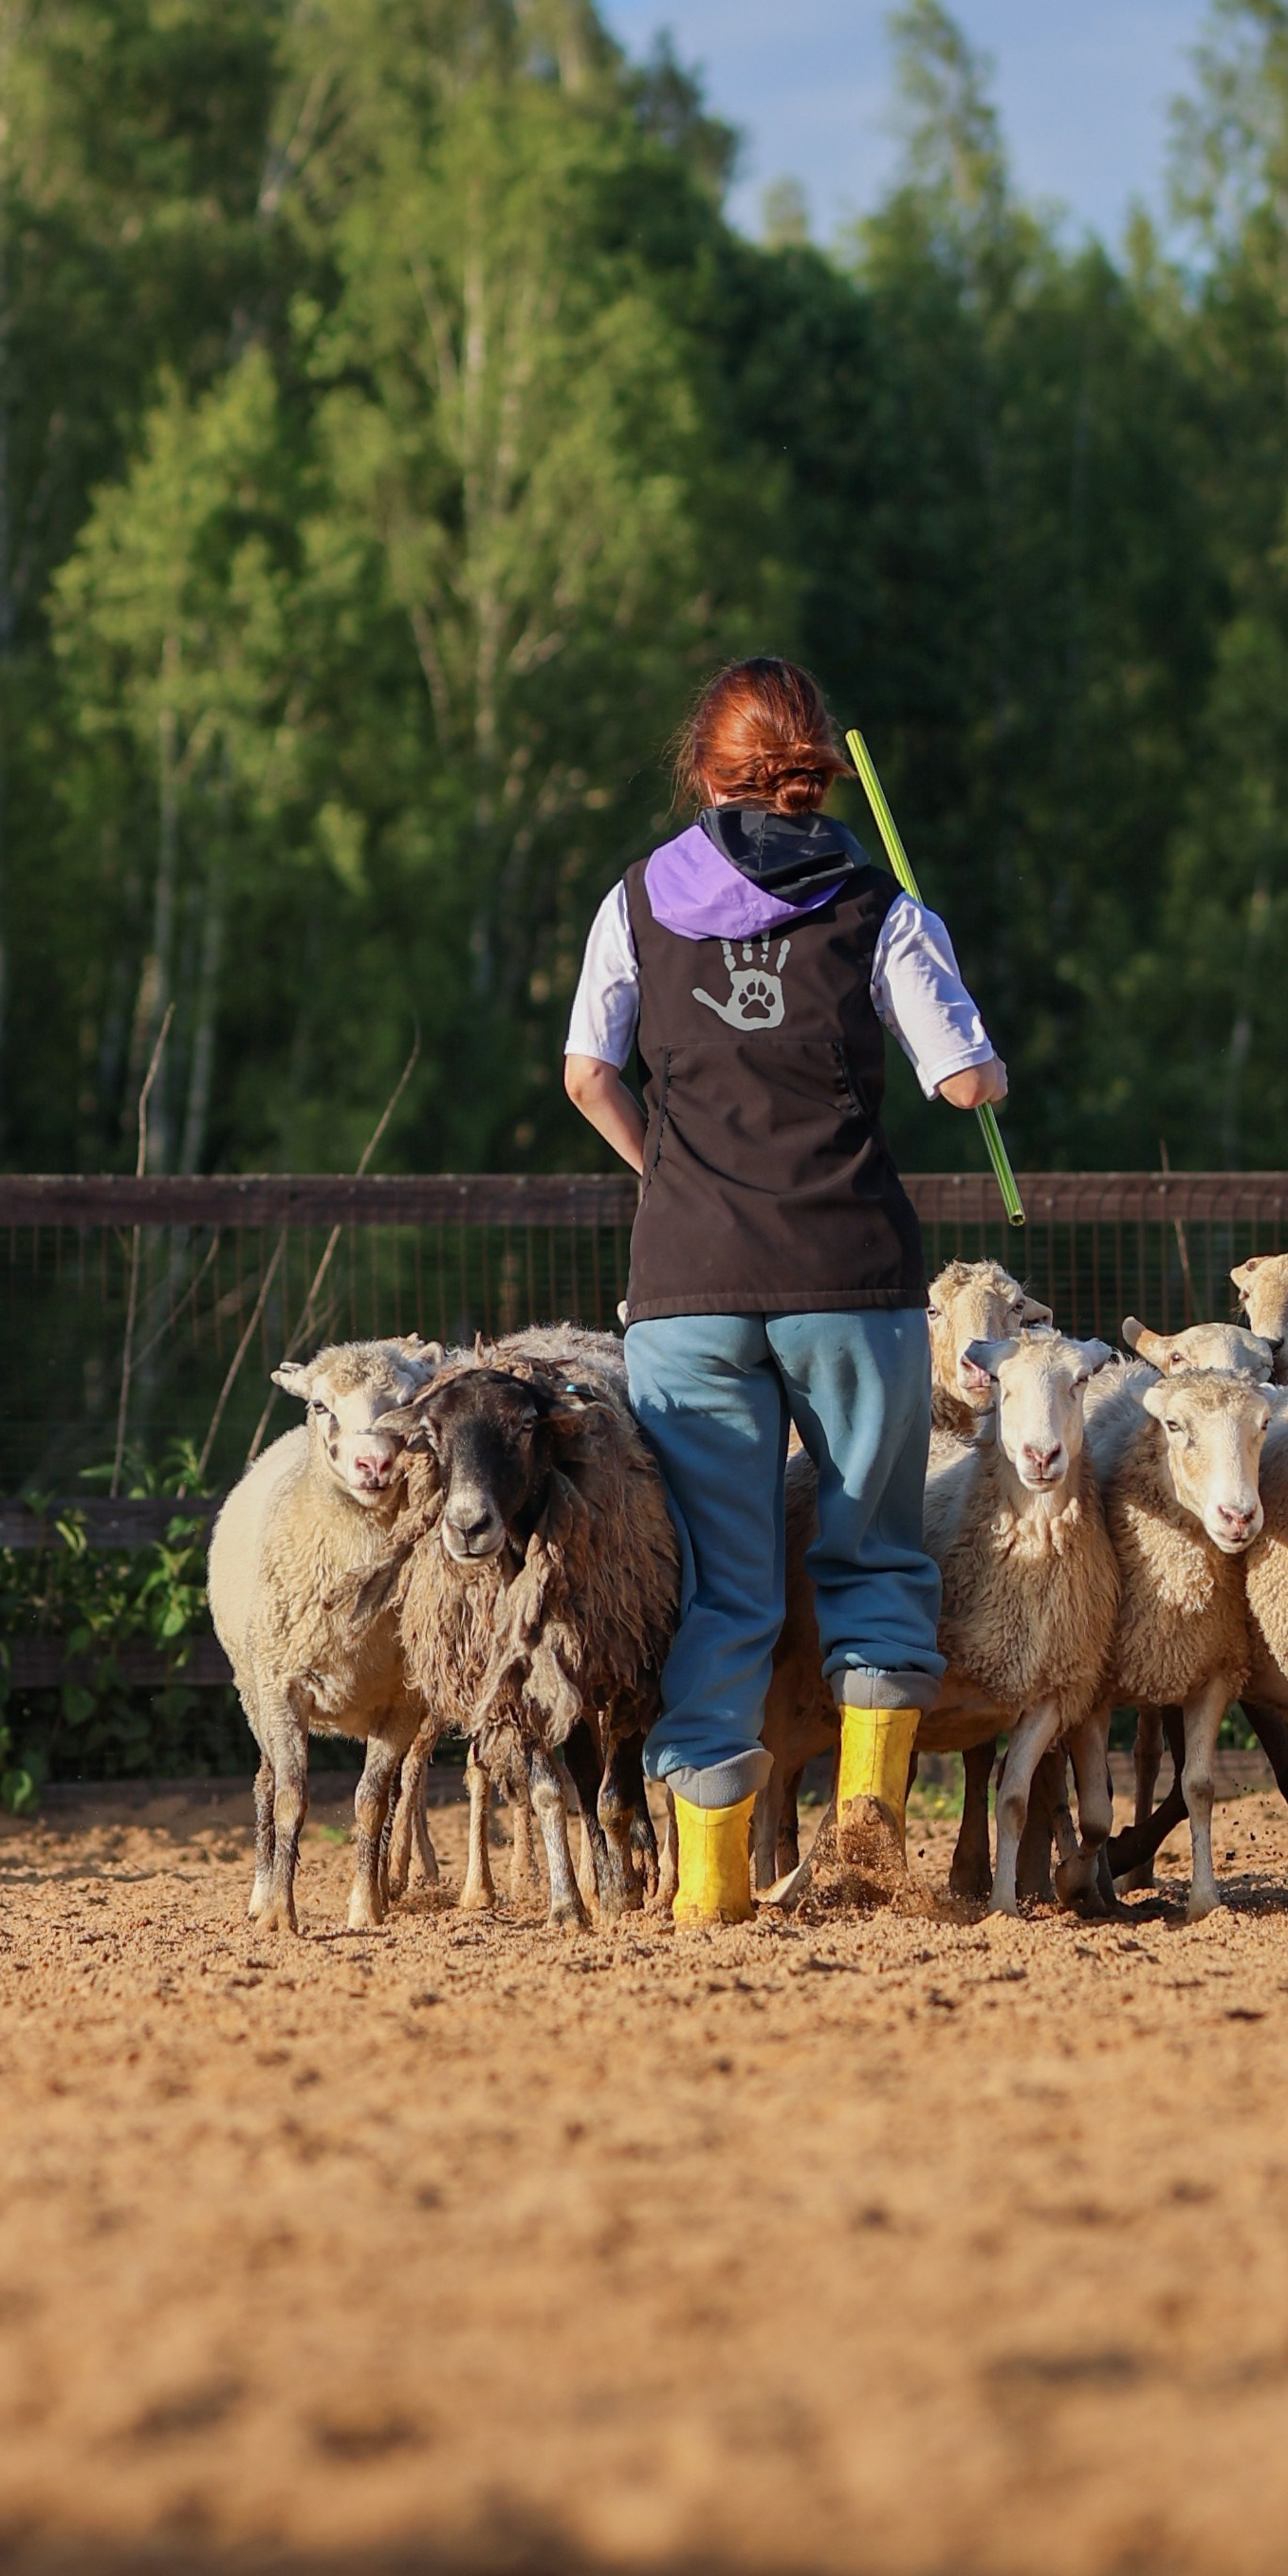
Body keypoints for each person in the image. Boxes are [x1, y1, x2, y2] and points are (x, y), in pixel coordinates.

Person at [562, 658, 1007, 1926]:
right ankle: (868, 1833)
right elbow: (961, 1080)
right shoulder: (883, 904)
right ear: (819, 775)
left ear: (705, 771)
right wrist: (987, 1063)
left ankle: (711, 1887)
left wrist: (669, 1173)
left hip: (688, 1289)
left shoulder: (636, 896)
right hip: (851, 1278)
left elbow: (588, 1072)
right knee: (873, 1548)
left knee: (726, 1582)